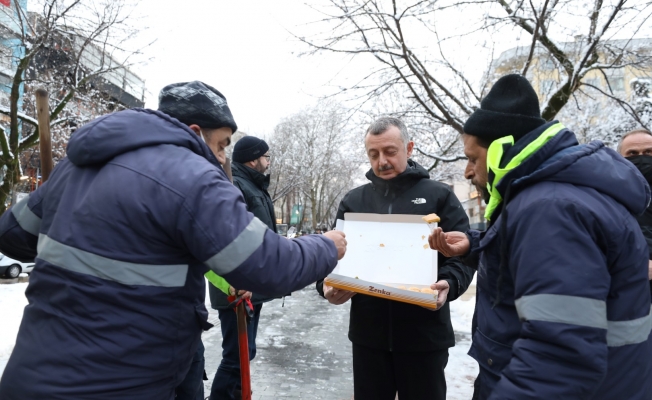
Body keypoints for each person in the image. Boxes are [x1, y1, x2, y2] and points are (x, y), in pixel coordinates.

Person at [0, 80, 347, 400]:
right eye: (222, 145)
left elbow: (11, 236)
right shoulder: (191, 177)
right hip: (123, 384)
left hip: (30, 378)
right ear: (195, 132)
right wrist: (327, 245)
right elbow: (268, 265)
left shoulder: (73, 168)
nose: (224, 158)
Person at [429, 74, 652, 400]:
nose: (466, 171)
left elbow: (559, 354)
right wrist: (475, 242)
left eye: (472, 158)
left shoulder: (550, 208)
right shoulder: (550, 193)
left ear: (500, 151)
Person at [316, 117, 474, 400]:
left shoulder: (439, 196)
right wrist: (325, 286)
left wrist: (449, 283)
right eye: (373, 154)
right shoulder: (354, 201)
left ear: (409, 148)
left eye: (390, 151)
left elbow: (462, 255)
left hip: (425, 338)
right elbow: (332, 255)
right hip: (369, 339)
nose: (382, 161)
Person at [208, 135, 276, 400]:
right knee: (237, 356)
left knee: (246, 353)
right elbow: (224, 237)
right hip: (236, 288)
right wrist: (234, 279)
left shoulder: (253, 185)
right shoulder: (235, 185)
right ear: (253, 159)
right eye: (265, 156)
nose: (268, 161)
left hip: (252, 284)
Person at [618, 129, 652, 295]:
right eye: (632, 153)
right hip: (629, 293)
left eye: (648, 152)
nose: (642, 157)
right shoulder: (608, 195)